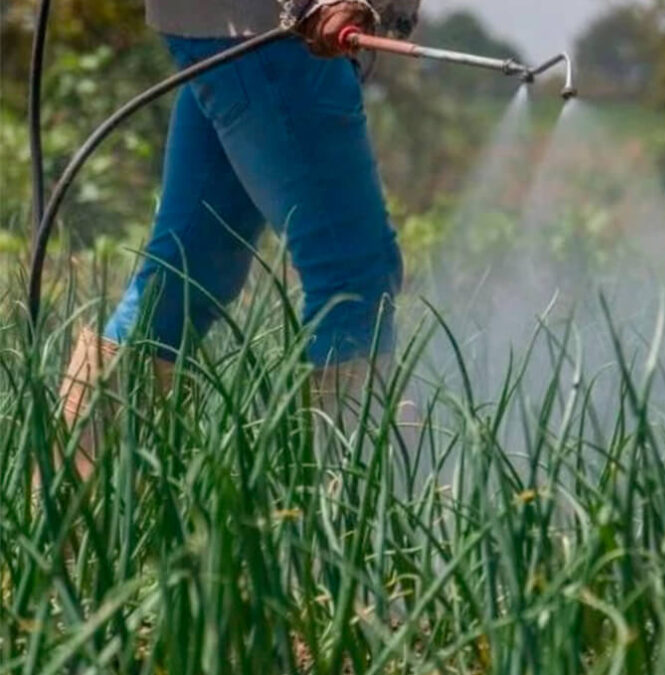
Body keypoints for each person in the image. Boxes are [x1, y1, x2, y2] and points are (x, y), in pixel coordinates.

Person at [59, 0, 420, 467]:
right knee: (354, 280)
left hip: (236, 24)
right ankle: (364, 523)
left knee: (185, 277)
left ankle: (73, 517)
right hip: (272, 29)